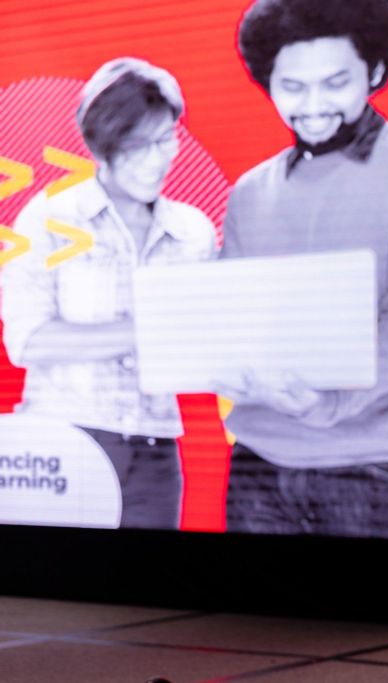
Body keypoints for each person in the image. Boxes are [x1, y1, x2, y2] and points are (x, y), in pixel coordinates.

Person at [218, 0, 388, 539]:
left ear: (375, 71)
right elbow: (236, 319)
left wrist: (329, 402)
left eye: (335, 82)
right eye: (292, 87)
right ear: (268, 83)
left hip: (375, 466)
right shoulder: (250, 190)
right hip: (257, 463)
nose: (313, 106)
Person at [1, 58, 218, 529]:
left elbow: (207, 343)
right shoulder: (50, 218)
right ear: (103, 146)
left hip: (156, 448)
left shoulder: (194, 231)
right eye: (137, 146)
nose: (157, 159)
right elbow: (28, 340)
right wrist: (152, 329)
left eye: (166, 139)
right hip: (65, 440)